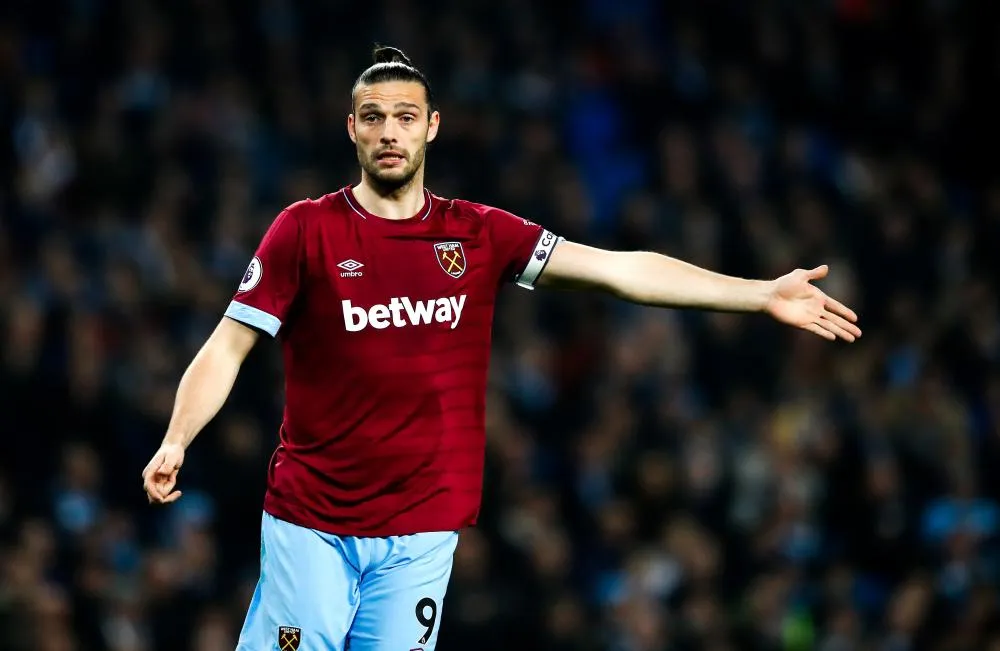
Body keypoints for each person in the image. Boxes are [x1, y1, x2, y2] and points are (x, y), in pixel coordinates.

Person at [141, 45, 862, 651]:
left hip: (422, 532)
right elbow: (228, 345)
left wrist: (758, 293)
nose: (390, 132)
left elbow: (619, 270)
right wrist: (177, 437)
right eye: (374, 118)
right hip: (312, 523)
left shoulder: (478, 234)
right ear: (352, 129)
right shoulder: (305, 230)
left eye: (405, 117)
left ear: (431, 127)